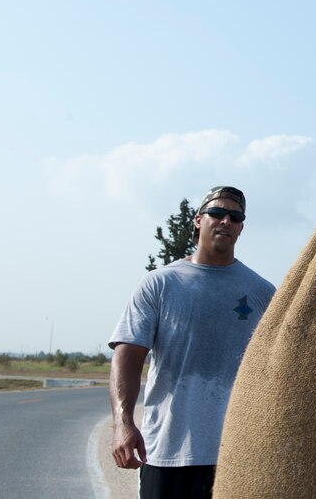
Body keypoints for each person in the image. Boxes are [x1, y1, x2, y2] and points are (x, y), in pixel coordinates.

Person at [108, 185, 276, 499]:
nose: (226, 220)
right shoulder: (160, 284)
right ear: (199, 220)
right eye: (217, 213)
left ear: (241, 227)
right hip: (168, 451)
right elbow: (127, 357)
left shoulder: (263, 293)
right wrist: (123, 422)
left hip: (236, 455)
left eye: (235, 216)